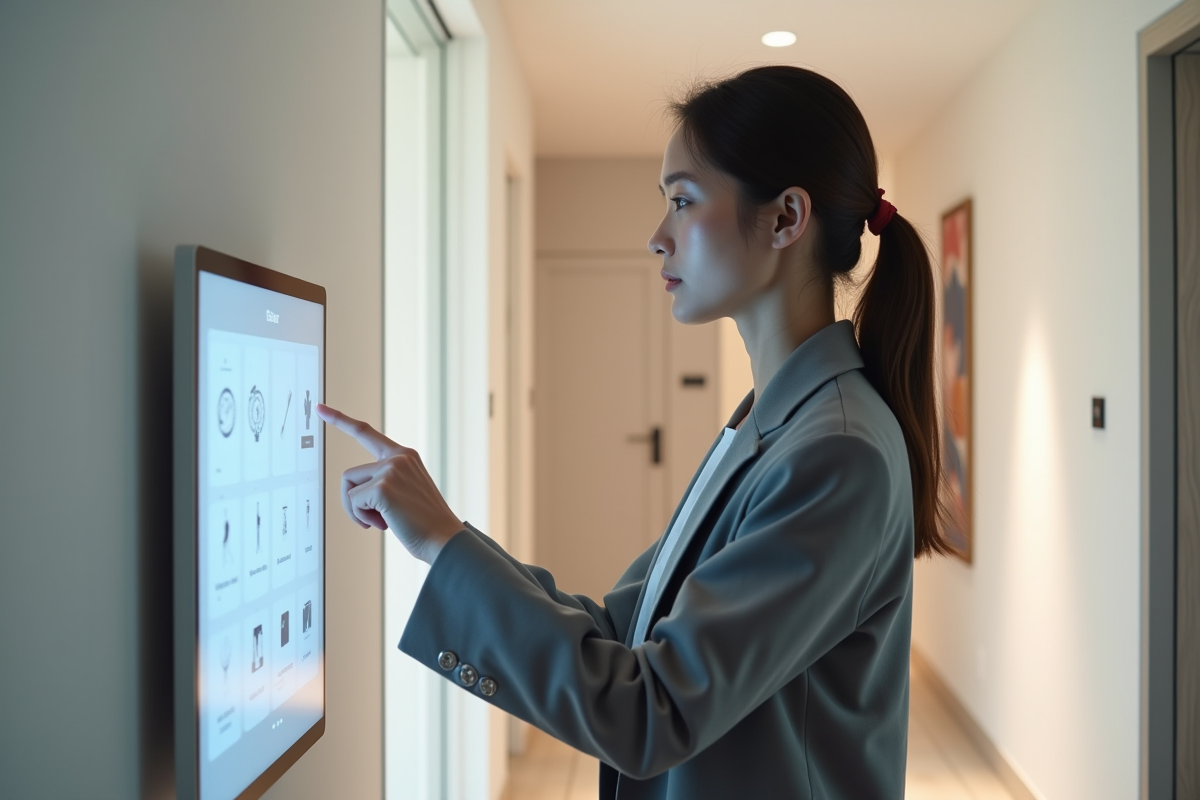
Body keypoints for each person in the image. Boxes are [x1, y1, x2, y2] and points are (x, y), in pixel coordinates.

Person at [318, 64, 951, 800]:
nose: (658, 238)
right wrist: (444, 537)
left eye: (682, 202)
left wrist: (443, 545)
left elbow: (654, 711)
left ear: (785, 219)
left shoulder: (836, 454)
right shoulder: (773, 421)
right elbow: (623, 627)